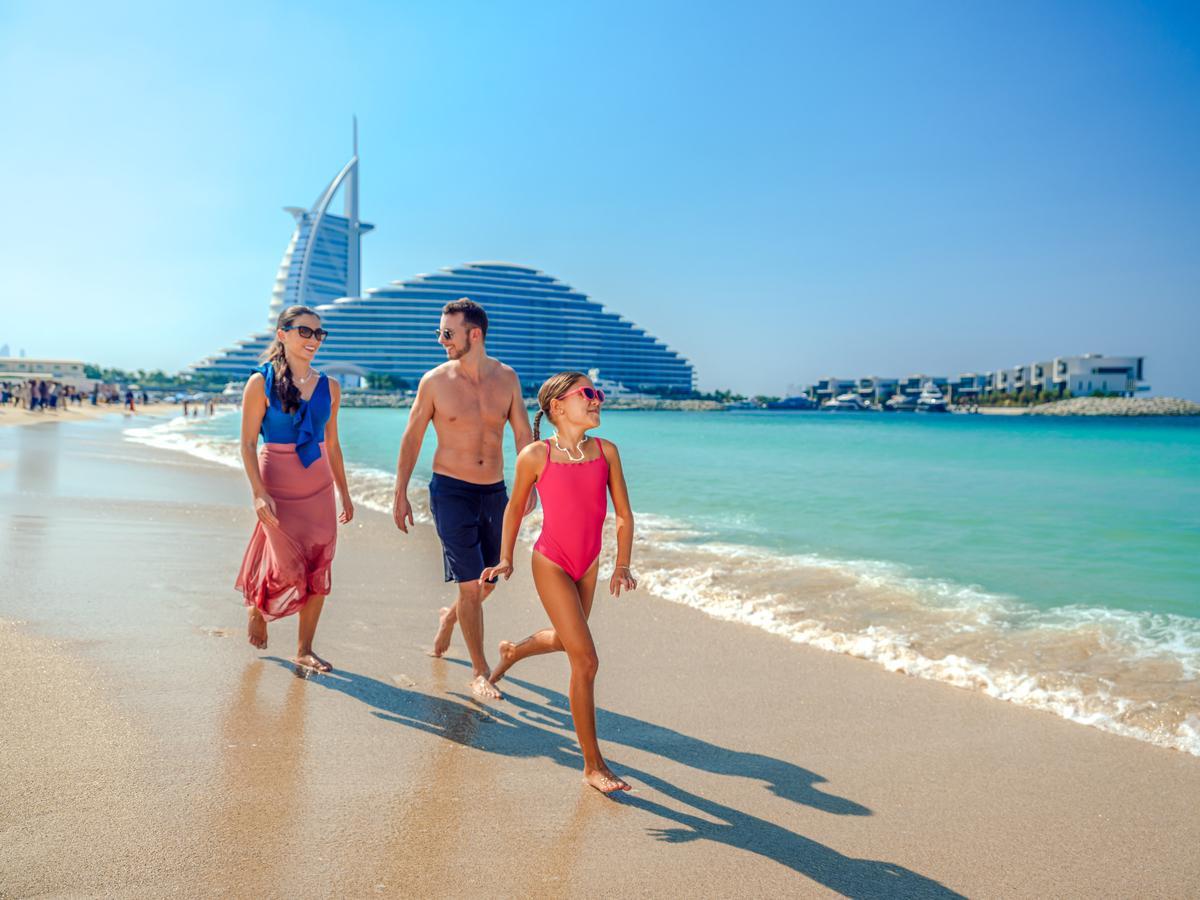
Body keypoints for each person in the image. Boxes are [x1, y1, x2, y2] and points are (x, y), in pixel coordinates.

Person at [480, 371, 637, 793]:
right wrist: (505, 558)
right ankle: (592, 766)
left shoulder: (607, 452)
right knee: (585, 660)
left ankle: (512, 651)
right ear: (558, 407)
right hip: (551, 561)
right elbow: (514, 509)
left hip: (588, 564)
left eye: (598, 393)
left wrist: (621, 564)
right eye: (588, 393)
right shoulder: (535, 455)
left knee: (569, 641)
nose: (597, 399)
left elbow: (623, 514)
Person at [391, 298, 534, 700]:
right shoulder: (435, 381)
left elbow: (524, 435)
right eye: (439, 332)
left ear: (475, 334)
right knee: (471, 586)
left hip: (495, 492)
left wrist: (532, 485)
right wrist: (400, 492)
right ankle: (480, 670)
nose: (441, 340)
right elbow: (412, 436)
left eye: (447, 333)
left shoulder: (507, 379)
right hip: (450, 490)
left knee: (487, 581)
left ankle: (449, 617)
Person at [236, 305, 353, 672]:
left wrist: (345, 494)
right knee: (286, 566)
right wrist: (258, 491)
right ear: (282, 334)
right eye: (305, 331)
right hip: (277, 482)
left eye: (319, 334)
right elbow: (246, 443)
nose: (313, 340)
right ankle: (257, 606)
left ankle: (304, 648)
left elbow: (332, 445)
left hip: (319, 485)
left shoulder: (330, 387)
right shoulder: (260, 382)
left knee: (320, 563)